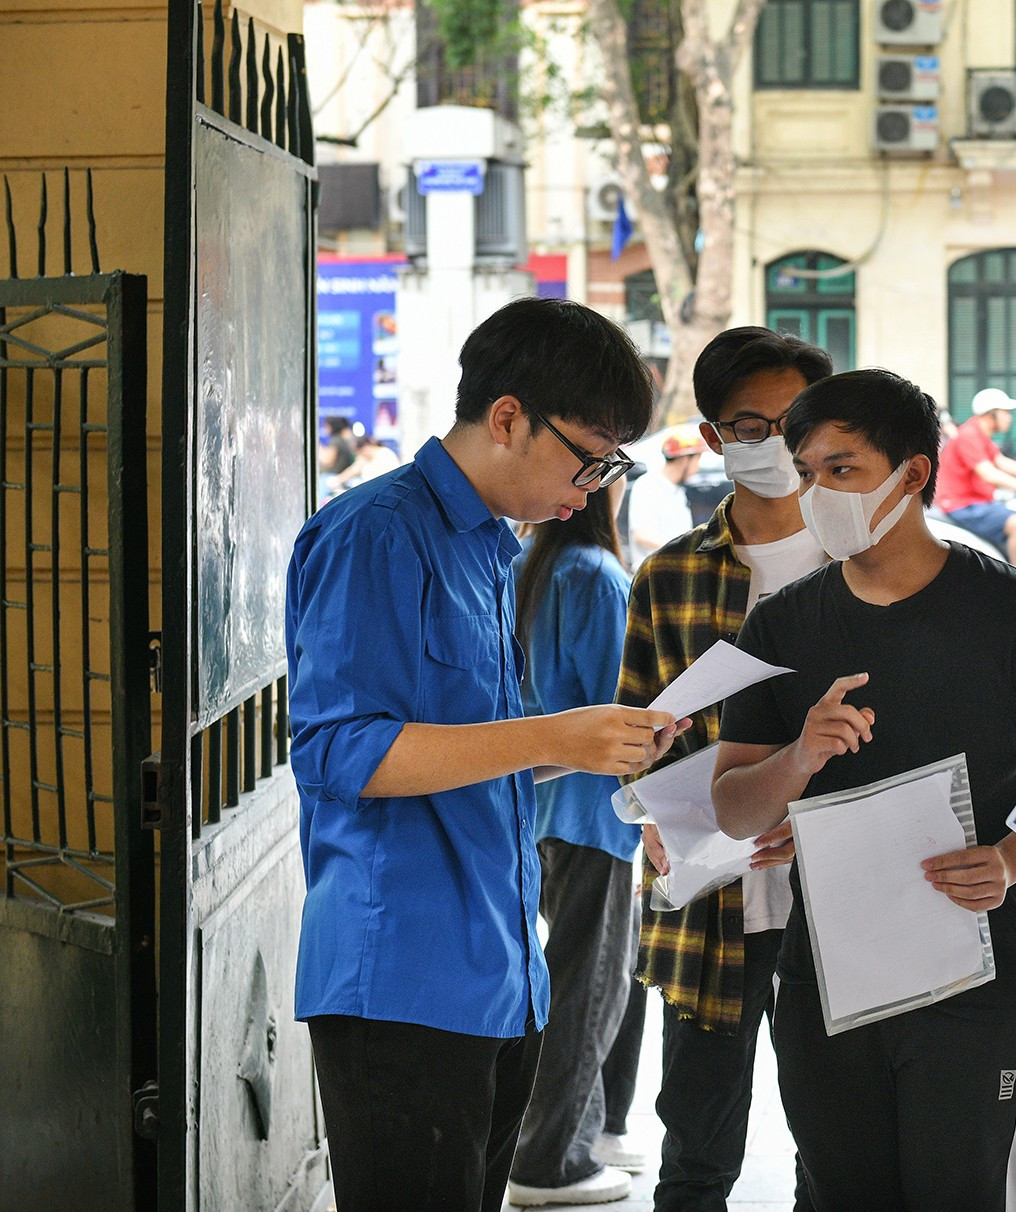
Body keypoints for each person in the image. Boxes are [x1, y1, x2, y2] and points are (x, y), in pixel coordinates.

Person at [285, 297, 685, 1212]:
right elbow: (342, 751)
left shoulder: (488, 549)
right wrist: (552, 735)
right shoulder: (377, 533)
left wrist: (587, 745)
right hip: (400, 980)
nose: (594, 486)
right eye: (588, 455)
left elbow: (468, 750)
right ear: (507, 417)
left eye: (611, 463)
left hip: (498, 972)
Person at [711, 368, 1016, 1210]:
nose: (819, 494)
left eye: (842, 470)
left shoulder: (1015, 615)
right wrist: (799, 757)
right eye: (809, 473)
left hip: (979, 976)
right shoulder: (784, 624)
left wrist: (1012, 859)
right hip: (828, 979)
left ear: (913, 474)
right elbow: (733, 807)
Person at [621, 326, 830, 1211]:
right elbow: (629, 740)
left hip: (838, 895)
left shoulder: (862, 564)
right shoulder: (669, 577)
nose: (777, 443)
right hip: (711, 902)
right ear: (712, 438)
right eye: (752, 425)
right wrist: (657, 825)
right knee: (698, 1151)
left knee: (834, 1147)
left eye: (796, 422)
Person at [506, 483, 644, 1208]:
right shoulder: (598, 574)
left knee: (588, 973)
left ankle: (597, 1128)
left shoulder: (533, 562)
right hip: (598, 808)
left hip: (541, 803)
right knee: (591, 982)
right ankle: (552, 1159)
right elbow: (616, 704)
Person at [933, 387, 1016, 568]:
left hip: (977, 503)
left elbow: (1001, 461)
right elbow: (989, 473)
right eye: (1006, 413)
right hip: (963, 505)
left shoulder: (979, 435)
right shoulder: (969, 435)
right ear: (991, 414)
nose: (1009, 417)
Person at [630, 425, 703, 558]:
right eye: (697, 461)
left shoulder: (677, 490)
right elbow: (642, 535)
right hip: (652, 574)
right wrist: (684, 550)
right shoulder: (648, 485)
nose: (697, 468)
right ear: (684, 459)